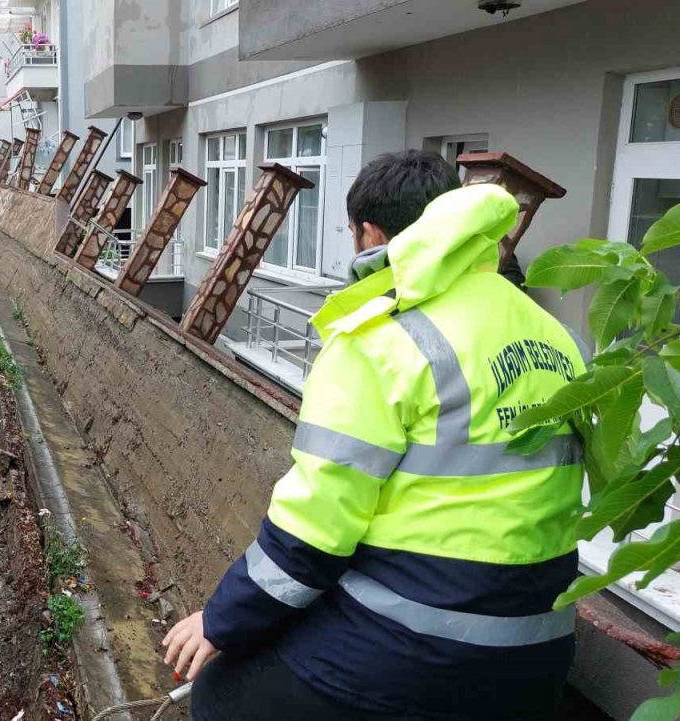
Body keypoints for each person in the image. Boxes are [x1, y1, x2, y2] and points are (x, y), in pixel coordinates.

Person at [164, 150, 587, 720]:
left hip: (421, 655)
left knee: (223, 697)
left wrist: (221, 621)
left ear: (369, 234)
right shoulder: (550, 331)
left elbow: (314, 531)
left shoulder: (382, 337)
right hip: (539, 657)